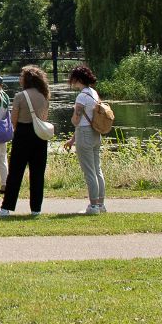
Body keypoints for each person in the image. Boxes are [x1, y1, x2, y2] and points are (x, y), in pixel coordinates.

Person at [0, 65, 51, 219]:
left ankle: (6, 207)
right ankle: (36, 209)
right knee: (37, 173)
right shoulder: (44, 95)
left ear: (27, 79)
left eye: (21, 76)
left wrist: (15, 131)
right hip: (39, 135)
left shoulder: (20, 96)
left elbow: (14, 119)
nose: (19, 79)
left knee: (15, 173)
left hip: (23, 134)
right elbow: (44, 117)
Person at [65, 64, 107, 215]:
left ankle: (93, 206)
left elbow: (76, 121)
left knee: (89, 171)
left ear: (78, 79)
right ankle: (100, 204)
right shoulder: (93, 93)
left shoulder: (81, 96)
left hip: (84, 134)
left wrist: (73, 117)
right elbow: (89, 118)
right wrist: (72, 140)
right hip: (95, 133)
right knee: (97, 169)